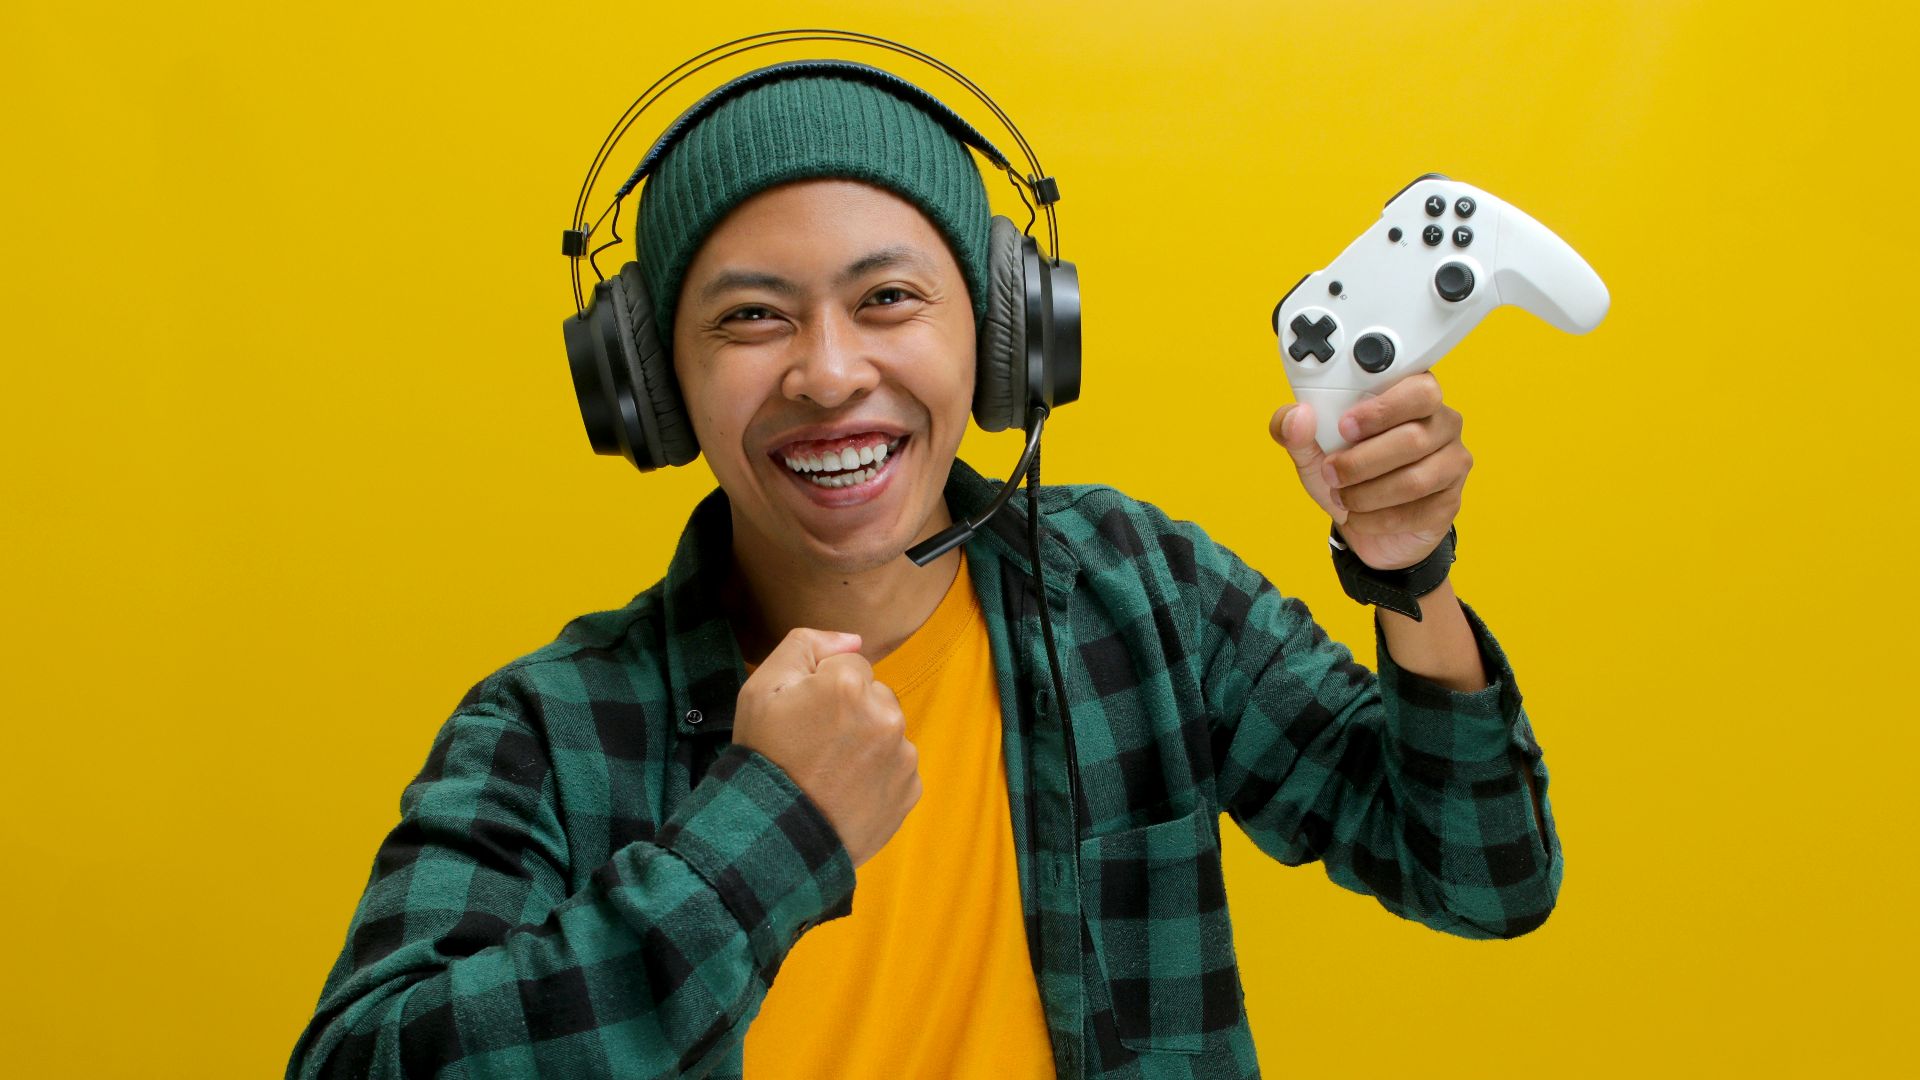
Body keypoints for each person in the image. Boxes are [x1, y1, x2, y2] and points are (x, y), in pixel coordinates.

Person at [288, 69, 1562, 1080]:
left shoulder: (1137, 593)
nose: (830, 374)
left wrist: (1408, 577)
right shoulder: (550, 731)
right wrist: (767, 829)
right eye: (750, 317)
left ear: (1008, 338)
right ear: (651, 387)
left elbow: (1483, 875)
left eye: (888, 297)